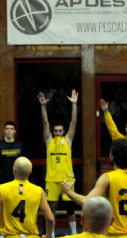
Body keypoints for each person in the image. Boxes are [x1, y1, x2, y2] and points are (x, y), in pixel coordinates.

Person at [0, 157, 54, 238]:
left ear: (14, 171)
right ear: (30, 172)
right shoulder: (39, 191)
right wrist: (48, 235)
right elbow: (50, 219)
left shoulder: (3, 188)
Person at [38, 90, 78, 236]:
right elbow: (45, 122)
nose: (57, 132)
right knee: (51, 207)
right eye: (56, 131)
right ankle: (51, 233)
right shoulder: (49, 141)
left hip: (67, 179)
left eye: (60, 130)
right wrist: (43, 106)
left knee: (70, 207)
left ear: (64, 131)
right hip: (52, 179)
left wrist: (74, 104)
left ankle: (73, 233)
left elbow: (74, 121)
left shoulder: (67, 140)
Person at [0, 121, 26, 190]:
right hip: (1, 180)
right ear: (4, 131)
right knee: (1, 200)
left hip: (17, 180)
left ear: (14, 131)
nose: (9, 130)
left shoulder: (20, 145)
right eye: (7, 129)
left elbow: (24, 164)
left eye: (11, 129)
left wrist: (24, 180)